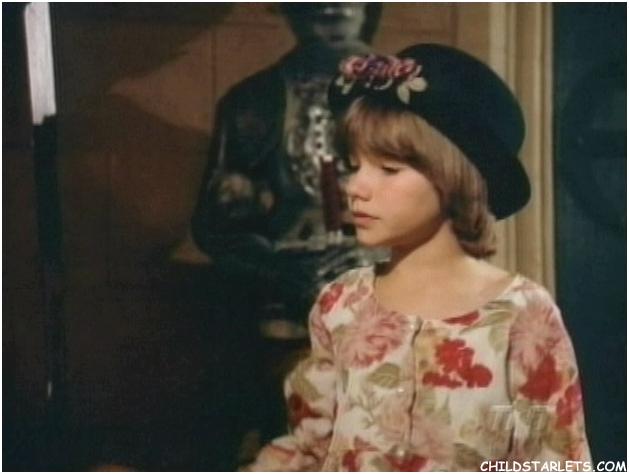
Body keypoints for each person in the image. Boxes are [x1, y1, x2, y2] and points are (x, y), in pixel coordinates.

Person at [245, 44, 592, 471]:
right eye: (353, 165)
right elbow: (312, 448)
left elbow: (557, 461)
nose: (355, 188)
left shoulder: (523, 315)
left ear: (453, 178)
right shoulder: (340, 305)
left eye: (388, 169)